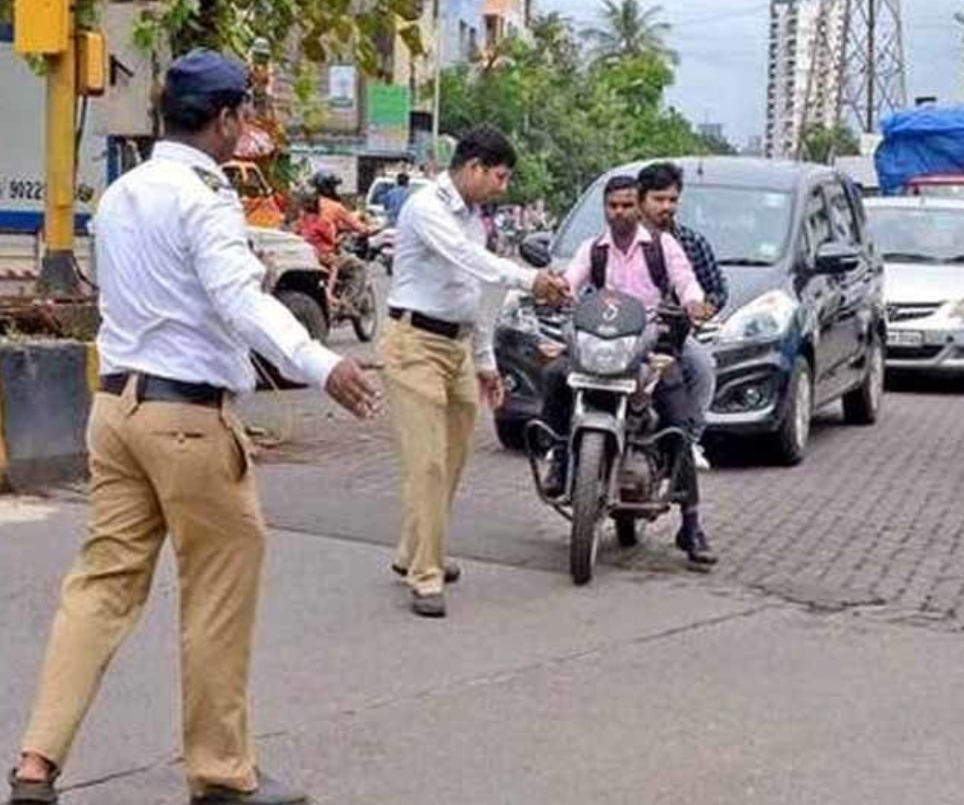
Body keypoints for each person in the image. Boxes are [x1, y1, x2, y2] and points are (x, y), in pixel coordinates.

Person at [5, 50, 380, 805]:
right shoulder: (205, 199)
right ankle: (220, 774)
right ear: (224, 119)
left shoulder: (121, 193)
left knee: (100, 588)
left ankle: (36, 765)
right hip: (187, 422)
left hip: (115, 411)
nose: (245, 129)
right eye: (243, 116)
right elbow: (242, 302)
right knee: (216, 589)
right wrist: (321, 365)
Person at [380, 125, 570, 618]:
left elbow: (478, 293)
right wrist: (533, 279)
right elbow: (469, 261)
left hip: (457, 347)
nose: (502, 188)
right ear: (474, 168)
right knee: (428, 463)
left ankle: (412, 550)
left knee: (454, 458)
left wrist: (485, 362)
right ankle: (426, 574)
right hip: (413, 344)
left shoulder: (474, 219)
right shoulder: (427, 209)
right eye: (499, 177)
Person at [540, 175, 719, 568]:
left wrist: (694, 304)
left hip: (648, 348)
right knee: (554, 376)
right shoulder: (594, 249)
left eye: (626, 205)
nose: (619, 212)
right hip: (600, 345)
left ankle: (691, 525)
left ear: (637, 206)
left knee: (678, 422)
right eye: (613, 206)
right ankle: (559, 458)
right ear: (605, 209)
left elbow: (688, 284)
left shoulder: (662, 247)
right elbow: (571, 282)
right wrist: (556, 292)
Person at [635, 162, 727, 471]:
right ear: (640, 199)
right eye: (658, 199)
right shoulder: (616, 242)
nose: (666, 206)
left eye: (672, 200)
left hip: (672, 339)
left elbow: (713, 289)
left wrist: (705, 307)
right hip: (621, 335)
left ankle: (689, 442)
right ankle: (566, 448)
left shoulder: (692, 243)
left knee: (702, 365)